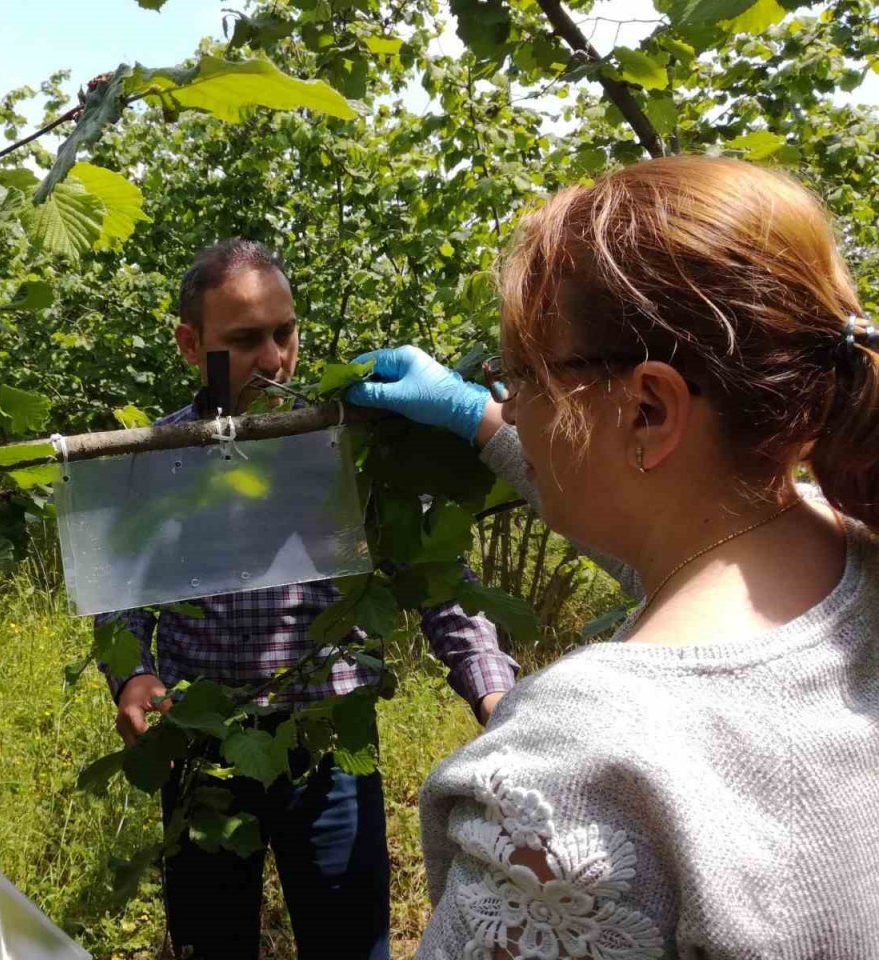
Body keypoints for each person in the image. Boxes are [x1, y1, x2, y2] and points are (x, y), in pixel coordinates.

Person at [347, 155, 879, 958]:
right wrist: (476, 421)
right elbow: (684, 554)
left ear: (651, 408)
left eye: (524, 374)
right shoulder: (845, 560)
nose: (512, 404)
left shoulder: (579, 778)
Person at [97, 238, 520, 960]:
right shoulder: (158, 456)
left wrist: (495, 698)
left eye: (284, 333)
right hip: (202, 746)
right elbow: (125, 594)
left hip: (329, 741)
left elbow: (441, 584)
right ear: (190, 345)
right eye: (244, 340)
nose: (274, 359)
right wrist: (133, 671)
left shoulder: (350, 449)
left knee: (350, 941)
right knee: (210, 940)